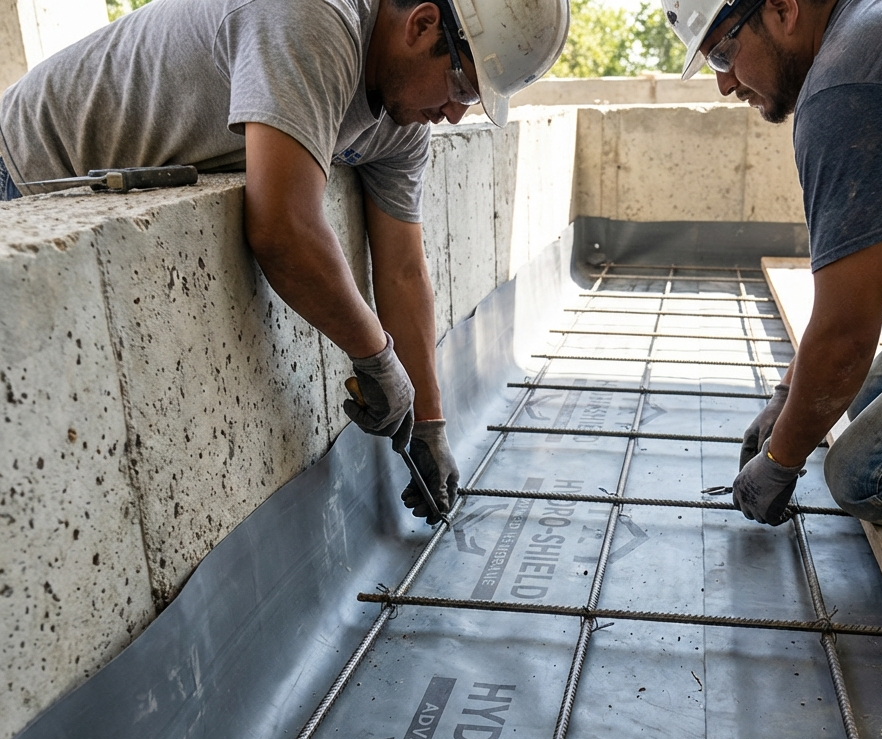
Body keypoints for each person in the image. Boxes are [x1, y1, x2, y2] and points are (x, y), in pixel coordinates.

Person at [0, 0, 568, 524]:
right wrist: (377, 359)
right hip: (27, 176)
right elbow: (282, 229)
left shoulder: (399, 123)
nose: (452, 116)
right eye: (463, 89)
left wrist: (430, 421)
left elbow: (402, 269)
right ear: (421, 25)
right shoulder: (311, 19)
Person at [661, 0, 882, 530]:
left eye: (722, 53)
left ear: (784, 10)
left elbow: (846, 336)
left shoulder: (845, 88)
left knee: (864, 475)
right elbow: (869, 268)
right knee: (859, 401)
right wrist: (789, 396)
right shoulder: (869, 36)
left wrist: (781, 459)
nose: (725, 84)